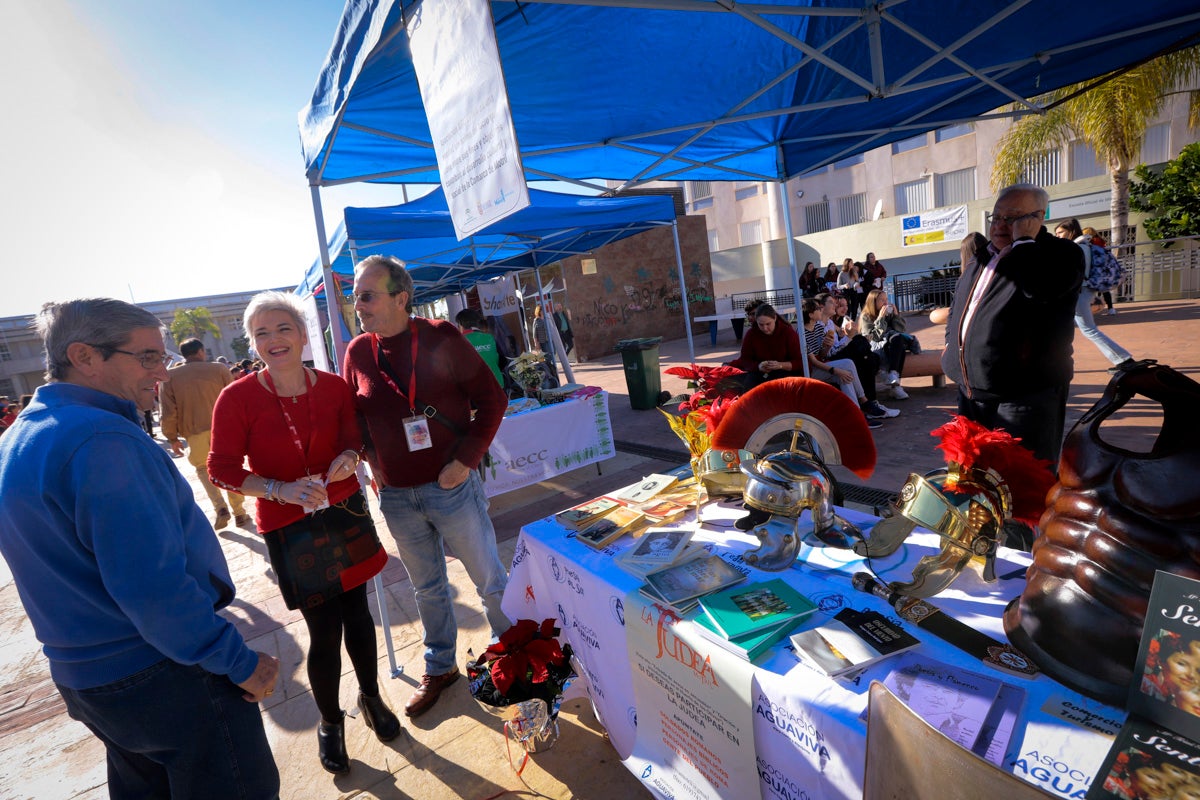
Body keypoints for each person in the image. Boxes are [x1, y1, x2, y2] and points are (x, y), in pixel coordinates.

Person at [0, 298, 280, 798]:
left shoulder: (24, 434)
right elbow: (153, 588)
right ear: (84, 357)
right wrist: (237, 661)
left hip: (91, 680)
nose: (163, 373)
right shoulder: (102, 439)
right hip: (161, 672)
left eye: (163, 357)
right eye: (148, 357)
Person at [208, 291, 398, 774]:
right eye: (262, 333)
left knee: (359, 613)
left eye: (283, 328)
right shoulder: (237, 398)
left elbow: (354, 437)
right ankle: (330, 723)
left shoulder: (334, 387)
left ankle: (372, 698)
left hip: (344, 512)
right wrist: (278, 489)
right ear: (252, 343)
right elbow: (221, 468)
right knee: (323, 630)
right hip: (290, 525)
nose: (274, 340)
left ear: (302, 333)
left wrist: (348, 458)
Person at [344, 255, 511, 719]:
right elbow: (355, 419)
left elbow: (492, 400)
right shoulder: (357, 351)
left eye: (367, 295)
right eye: (355, 295)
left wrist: (466, 461)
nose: (358, 304)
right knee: (428, 589)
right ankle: (441, 667)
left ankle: (513, 650)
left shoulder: (441, 337)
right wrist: (371, 463)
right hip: (397, 497)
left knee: (488, 579)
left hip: (451, 487)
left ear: (401, 298)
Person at [941, 183, 1084, 464]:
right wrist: (951, 346)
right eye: (997, 217)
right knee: (971, 478)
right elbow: (959, 307)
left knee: (1021, 485)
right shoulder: (981, 258)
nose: (1001, 226)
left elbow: (1040, 287)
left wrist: (1023, 243)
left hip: (1025, 397)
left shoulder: (1061, 254)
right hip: (971, 393)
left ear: (1038, 217)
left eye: (1013, 218)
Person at [161, 338, 249, 530]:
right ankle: (240, 512)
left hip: (193, 431)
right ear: (201, 351)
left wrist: (172, 438)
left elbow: (168, 410)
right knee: (231, 467)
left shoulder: (170, 376)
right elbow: (235, 398)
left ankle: (220, 508)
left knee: (203, 469)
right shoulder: (219, 369)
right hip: (224, 428)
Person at [1053, 218, 1135, 368]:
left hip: (1079, 291)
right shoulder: (1085, 246)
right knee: (1063, 327)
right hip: (1084, 290)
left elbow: (1074, 274)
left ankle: (1123, 359)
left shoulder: (1077, 248)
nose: (1057, 236)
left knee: (1089, 330)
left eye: (1060, 232)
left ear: (1070, 232)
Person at [800, 298, 895, 426]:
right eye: (817, 309)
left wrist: (826, 346)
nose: (820, 310)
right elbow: (813, 362)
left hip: (822, 364)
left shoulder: (817, 327)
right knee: (849, 364)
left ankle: (857, 415)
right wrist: (835, 370)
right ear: (811, 315)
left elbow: (822, 355)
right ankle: (864, 404)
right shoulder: (801, 333)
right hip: (811, 370)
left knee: (847, 371)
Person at [815, 292, 897, 407]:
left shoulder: (829, 323)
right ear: (821, 307)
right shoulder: (817, 326)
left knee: (868, 354)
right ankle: (870, 401)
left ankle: (870, 402)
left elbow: (839, 342)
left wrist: (847, 334)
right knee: (862, 347)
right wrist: (848, 337)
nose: (835, 305)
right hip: (829, 361)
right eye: (832, 303)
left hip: (838, 354)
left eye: (846, 305)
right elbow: (828, 354)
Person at [859, 288, 922, 394]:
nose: (886, 302)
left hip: (892, 343)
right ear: (873, 302)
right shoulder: (866, 316)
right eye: (882, 300)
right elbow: (874, 337)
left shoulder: (890, 314)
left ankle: (894, 376)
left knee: (898, 340)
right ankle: (895, 386)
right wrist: (880, 318)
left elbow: (900, 330)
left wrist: (896, 315)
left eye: (886, 299)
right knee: (898, 346)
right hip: (875, 345)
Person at [727, 303, 804, 389]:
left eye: (768, 324)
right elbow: (745, 359)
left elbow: (801, 361)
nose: (765, 328)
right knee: (749, 385)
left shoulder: (788, 333)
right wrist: (758, 366)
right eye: (761, 324)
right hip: (759, 373)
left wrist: (781, 365)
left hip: (785, 373)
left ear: (775, 318)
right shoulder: (751, 334)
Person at [456, 307, 507, 387]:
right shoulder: (489, 337)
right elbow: (503, 361)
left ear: (460, 325)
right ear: (477, 322)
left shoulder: (458, 343)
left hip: (475, 390)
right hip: (497, 385)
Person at [1082, 227, 1118, 315]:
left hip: (1093, 268)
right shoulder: (1101, 241)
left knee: (1090, 290)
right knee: (1104, 289)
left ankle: (1091, 310)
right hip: (1102, 268)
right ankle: (1110, 309)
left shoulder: (1089, 243)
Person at [531, 303, 557, 379]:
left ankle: (551, 369)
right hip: (543, 342)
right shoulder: (536, 320)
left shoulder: (547, 318)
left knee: (553, 353)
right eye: (542, 310)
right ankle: (550, 372)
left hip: (550, 340)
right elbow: (534, 334)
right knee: (547, 357)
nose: (544, 311)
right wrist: (536, 343)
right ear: (539, 311)